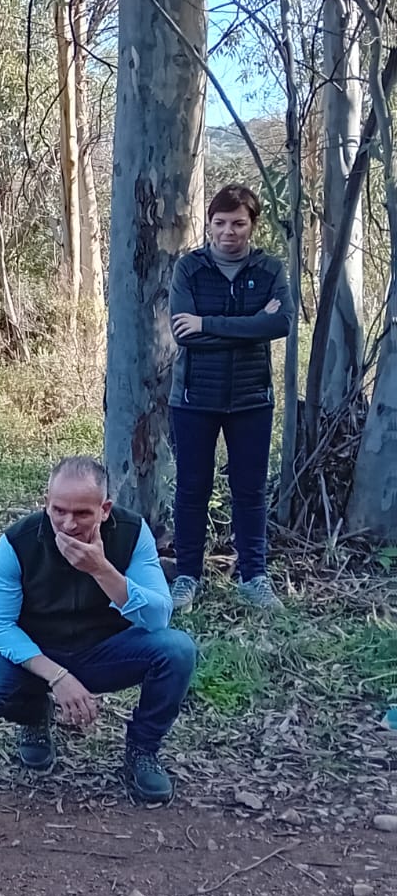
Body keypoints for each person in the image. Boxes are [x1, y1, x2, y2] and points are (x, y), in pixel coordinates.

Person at [0, 457, 193, 803]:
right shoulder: (18, 541)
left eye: (82, 513)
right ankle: (35, 714)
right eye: (59, 510)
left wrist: (102, 570)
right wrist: (57, 677)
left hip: (106, 652)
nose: (68, 524)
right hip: (37, 655)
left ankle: (143, 749)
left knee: (177, 650)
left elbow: (158, 618)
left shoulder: (131, 532)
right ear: (46, 504)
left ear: (105, 509)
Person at [169, 182, 293, 613]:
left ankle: (254, 577)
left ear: (252, 225)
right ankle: (187, 577)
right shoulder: (189, 269)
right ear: (208, 225)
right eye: (220, 223)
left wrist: (206, 324)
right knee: (192, 488)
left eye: (239, 223)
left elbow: (280, 327)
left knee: (250, 490)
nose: (229, 232)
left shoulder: (271, 269)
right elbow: (183, 337)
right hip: (192, 398)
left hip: (252, 399)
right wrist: (249, 325)